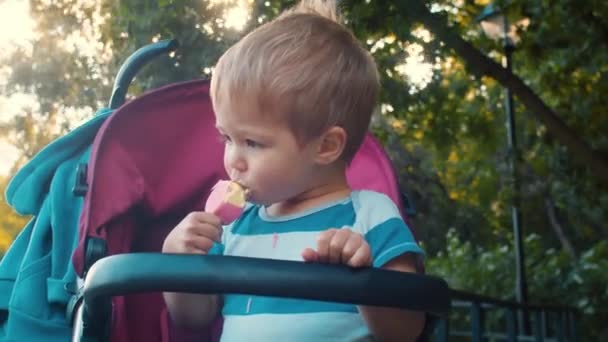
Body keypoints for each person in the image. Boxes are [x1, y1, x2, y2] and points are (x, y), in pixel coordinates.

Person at [162, 0, 425, 340]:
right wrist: (177, 262)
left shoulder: (370, 215)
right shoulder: (235, 226)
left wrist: (360, 282)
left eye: (253, 143)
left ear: (326, 146)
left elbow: (406, 332)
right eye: (227, 138)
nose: (233, 160)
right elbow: (195, 317)